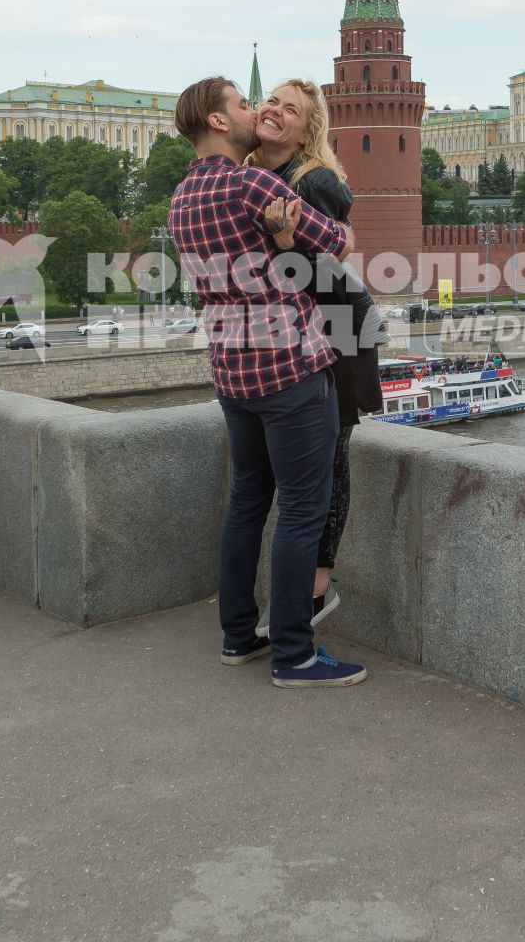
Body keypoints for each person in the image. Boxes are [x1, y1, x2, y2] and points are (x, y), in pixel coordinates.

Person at [167, 75, 367, 689]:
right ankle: (295, 654)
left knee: (247, 502)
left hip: (230, 369)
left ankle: (237, 636)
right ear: (222, 122)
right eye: (245, 103)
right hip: (288, 368)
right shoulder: (250, 181)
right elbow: (336, 242)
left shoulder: (180, 197)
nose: (257, 111)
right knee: (303, 509)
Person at [248, 78, 384, 637]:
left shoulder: (314, 180)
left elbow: (323, 267)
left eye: (291, 109)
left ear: (308, 130)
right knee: (304, 461)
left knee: (331, 453)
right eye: (271, 101)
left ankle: (317, 588)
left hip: (338, 325)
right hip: (298, 329)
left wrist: (283, 248)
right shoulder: (256, 172)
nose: (275, 111)